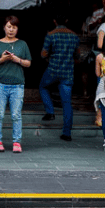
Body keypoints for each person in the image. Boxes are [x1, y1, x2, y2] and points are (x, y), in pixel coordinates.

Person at [0, 16, 31, 153]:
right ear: (4, 27)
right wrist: (3, 59)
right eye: (9, 27)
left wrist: (16, 59)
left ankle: (16, 142)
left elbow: (28, 63)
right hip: (0, 84)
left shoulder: (22, 44)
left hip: (17, 84)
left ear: (17, 29)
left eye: (14, 27)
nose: (11, 30)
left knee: (16, 114)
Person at [39, 11, 80, 141]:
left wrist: (49, 58)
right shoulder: (74, 36)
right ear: (66, 21)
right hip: (68, 73)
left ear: (54, 21)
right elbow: (77, 56)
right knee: (67, 103)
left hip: (53, 70)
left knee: (43, 87)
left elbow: (43, 54)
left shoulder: (51, 35)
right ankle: (66, 133)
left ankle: (50, 112)